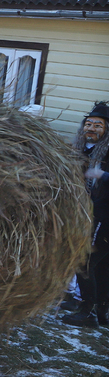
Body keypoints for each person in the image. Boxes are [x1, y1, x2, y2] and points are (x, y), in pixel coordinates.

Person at [64, 103, 109, 328]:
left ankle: (87, 311)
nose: (91, 128)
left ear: (107, 129)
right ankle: (102, 312)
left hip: (105, 216)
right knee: (100, 266)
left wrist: (103, 175)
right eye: (88, 124)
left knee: (84, 262)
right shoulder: (80, 148)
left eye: (98, 125)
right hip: (86, 214)